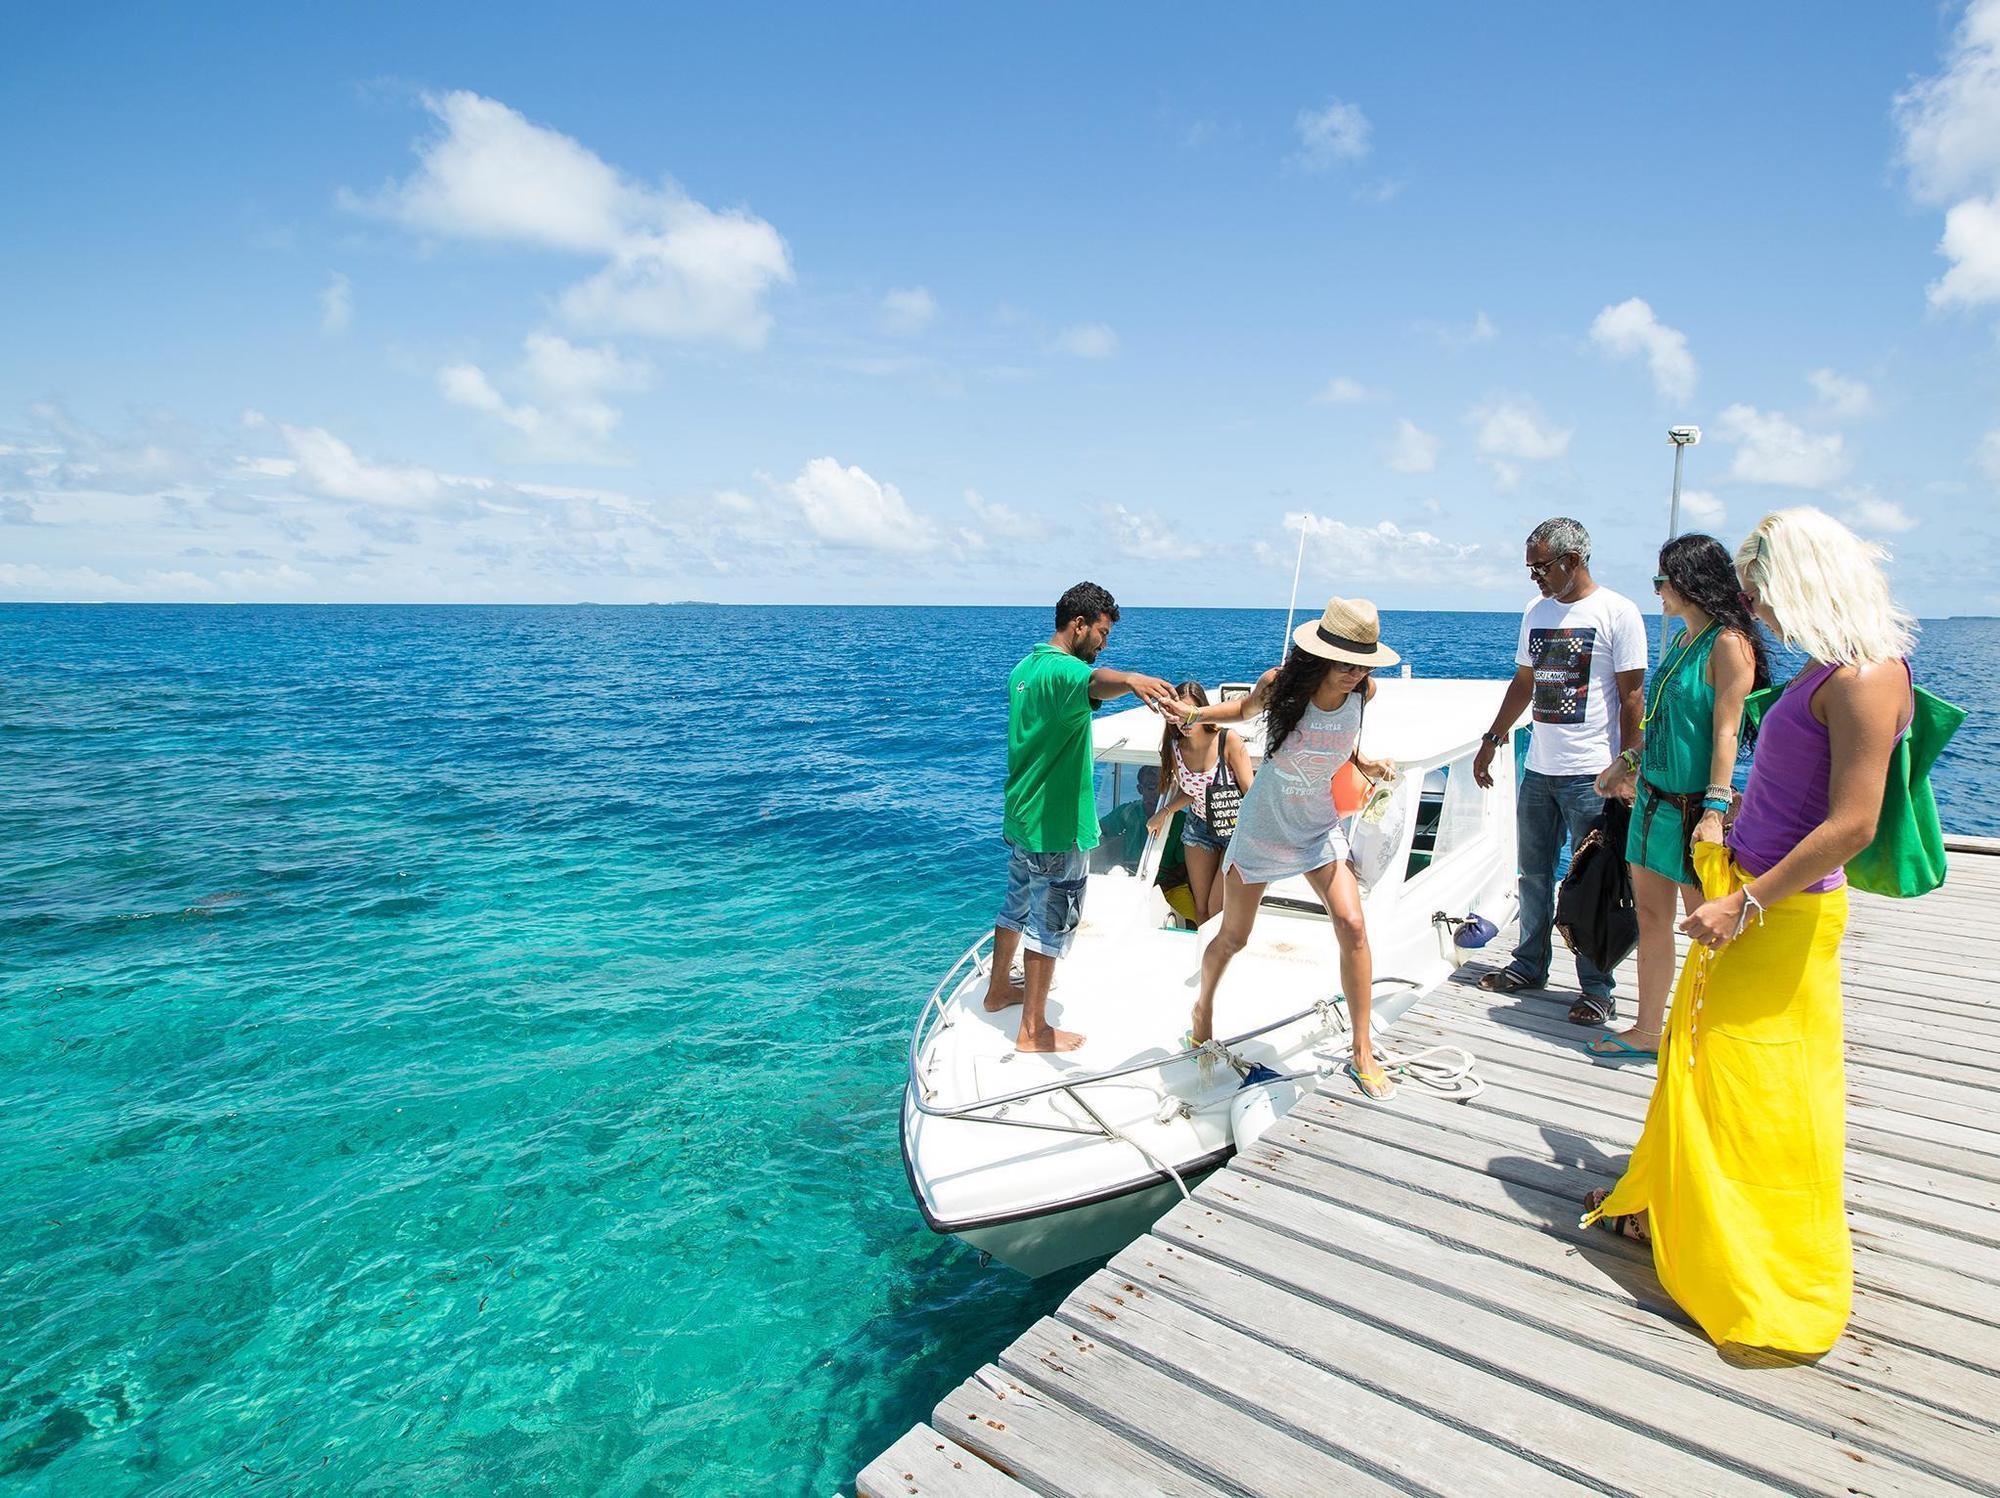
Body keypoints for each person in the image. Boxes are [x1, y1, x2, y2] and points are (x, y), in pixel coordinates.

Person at [1584, 507, 1915, 1355]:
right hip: (1751, 889)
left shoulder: (1867, 677)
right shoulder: (1827, 666)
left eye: (1761, 588)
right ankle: (1680, 1212)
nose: (1754, 605)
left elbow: (1854, 825)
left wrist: (1745, 899)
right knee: (1703, 1060)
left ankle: (1749, 1253)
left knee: (1755, 1082)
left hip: (1781, 912)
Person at [1175, 597, 1400, 1099]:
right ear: (1322, 655)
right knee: (1234, 937)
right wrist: (1193, 711)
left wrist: (1366, 762)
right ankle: (1202, 1008)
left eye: (1361, 664)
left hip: (1319, 827)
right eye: (1344, 663)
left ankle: (1361, 1048)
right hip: (1263, 828)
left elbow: (1341, 741)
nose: (1352, 673)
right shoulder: (1282, 686)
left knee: (1353, 925)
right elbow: (1240, 711)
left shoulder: (1367, 691)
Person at [1588, 534, 1767, 1059]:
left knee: (1704, 927)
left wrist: (1714, 810)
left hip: (1691, 808)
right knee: (1650, 916)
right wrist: (1627, 761)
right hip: (1649, 800)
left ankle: (1708, 1035)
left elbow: (1726, 732)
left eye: (1662, 580)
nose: (1658, 590)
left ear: (1689, 581)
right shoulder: (1683, 639)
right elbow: (1662, 719)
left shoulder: (1728, 642)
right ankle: (1647, 1030)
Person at [983, 582, 1178, 1053]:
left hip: (1022, 816)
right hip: (1055, 826)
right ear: (1079, 625)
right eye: (1102, 632)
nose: (1104, 643)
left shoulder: (1024, 670)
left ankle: (996, 991)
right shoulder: (1066, 671)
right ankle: (1033, 1030)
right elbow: (1093, 681)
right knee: (1051, 922)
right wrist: (1132, 679)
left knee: (1016, 906)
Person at [1472, 517, 1648, 1025]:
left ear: (1573, 560)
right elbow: (1523, 682)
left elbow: (1633, 696)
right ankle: (1530, 965)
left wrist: (1627, 765)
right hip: (1540, 770)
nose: (1535, 578)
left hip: (1592, 776)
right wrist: (1492, 739)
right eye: (1531, 569)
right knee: (1533, 874)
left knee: (1592, 881)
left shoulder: (1618, 612)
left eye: (1541, 567)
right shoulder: (1535, 611)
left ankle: (1597, 986)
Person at [1146, 681, 1256, 925]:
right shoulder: (1175, 748)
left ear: (1201, 711)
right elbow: (1192, 791)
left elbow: (1249, 790)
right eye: (1177, 714)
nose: (1184, 722)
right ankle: (1204, 961)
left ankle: (1220, 959)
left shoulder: (1227, 740)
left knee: (1218, 908)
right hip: (1199, 828)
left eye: (1189, 714)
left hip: (1234, 829)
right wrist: (1164, 812)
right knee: (1202, 908)